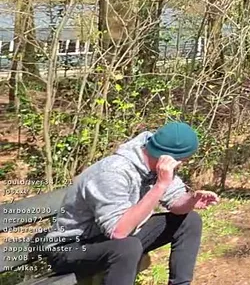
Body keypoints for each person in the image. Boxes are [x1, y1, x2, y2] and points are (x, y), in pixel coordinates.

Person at [41, 121, 220, 285]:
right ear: (169, 157)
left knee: (189, 221)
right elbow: (118, 232)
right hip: (69, 248)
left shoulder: (158, 166)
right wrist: (160, 185)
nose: (182, 164)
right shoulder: (112, 172)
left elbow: (176, 202)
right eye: (183, 160)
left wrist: (191, 200)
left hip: (111, 239)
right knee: (127, 247)